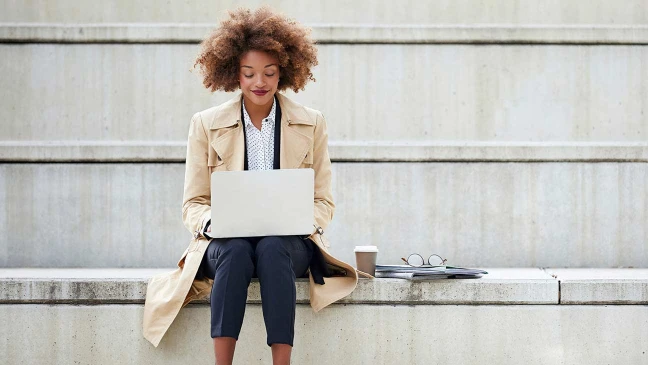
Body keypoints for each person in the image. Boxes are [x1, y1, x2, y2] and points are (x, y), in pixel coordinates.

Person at [141, 6, 368, 365]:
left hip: (288, 246)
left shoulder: (312, 123)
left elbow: (323, 199)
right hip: (226, 245)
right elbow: (193, 202)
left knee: (274, 246)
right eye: (249, 74)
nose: (259, 82)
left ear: (284, 73)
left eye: (269, 73)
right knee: (233, 249)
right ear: (235, 73)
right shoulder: (205, 124)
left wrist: (309, 220)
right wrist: (213, 223)